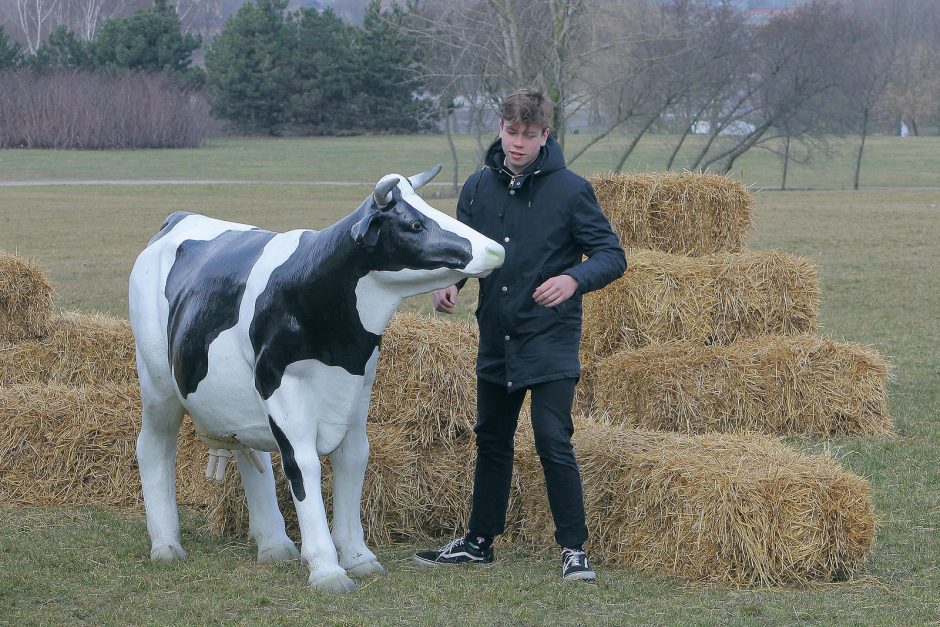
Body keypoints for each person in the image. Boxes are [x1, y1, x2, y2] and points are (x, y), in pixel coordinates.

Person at [413, 80, 626, 582]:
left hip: (550, 336)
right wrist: (452, 283)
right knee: (492, 438)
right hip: (496, 336)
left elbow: (612, 256)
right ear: (500, 128)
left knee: (553, 438)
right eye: (511, 131)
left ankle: (574, 549)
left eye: (529, 134)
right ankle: (479, 542)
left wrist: (573, 278)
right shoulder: (477, 187)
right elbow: (464, 251)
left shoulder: (572, 190)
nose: (518, 142)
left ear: (545, 136)